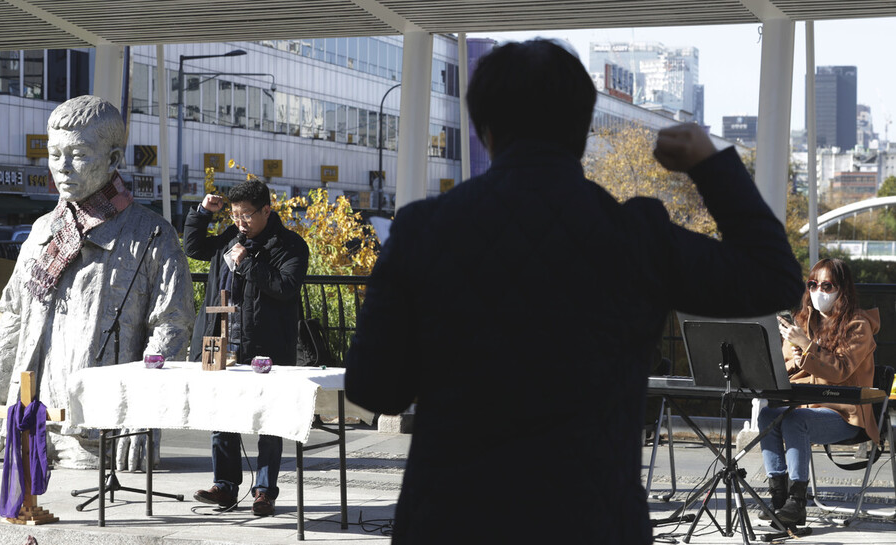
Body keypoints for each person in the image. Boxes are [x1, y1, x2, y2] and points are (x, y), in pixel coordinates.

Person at [344, 39, 804, 544]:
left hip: (452, 516)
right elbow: (773, 277)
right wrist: (709, 164)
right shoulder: (635, 236)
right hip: (592, 518)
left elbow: (375, 389)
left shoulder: (422, 230)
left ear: (483, 128)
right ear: (583, 132)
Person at [0, 95, 195, 469]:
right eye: (54, 153)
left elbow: (171, 328)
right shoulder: (42, 232)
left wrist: (143, 419)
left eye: (78, 154)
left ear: (113, 159)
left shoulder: (151, 236)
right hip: (32, 424)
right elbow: (14, 316)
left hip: (102, 433)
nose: (62, 167)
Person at [184, 180, 309, 515]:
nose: (240, 222)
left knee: (269, 421)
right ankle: (224, 486)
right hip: (220, 339)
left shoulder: (290, 245)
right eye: (235, 215)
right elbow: (193, 249)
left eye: (247, 216)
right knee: (220, 415)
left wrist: (250, 263)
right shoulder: (230, 237)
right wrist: (201, 214)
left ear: (266, 210)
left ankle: (264, 492)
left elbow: (286, 286)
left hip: (265, 344)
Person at [758, 258, 879, 527]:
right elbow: (785, 368)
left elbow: (840, 370)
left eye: (826, 285)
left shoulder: (858, 325)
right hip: (806, 407)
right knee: (767, 415)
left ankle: (797, 501)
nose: (817, 291)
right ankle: (778, 497)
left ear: (842, 290)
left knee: (794, 420)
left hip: (845, 414)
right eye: (813, 284)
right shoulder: (801, 321)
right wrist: (798, 357)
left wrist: (807, 346)